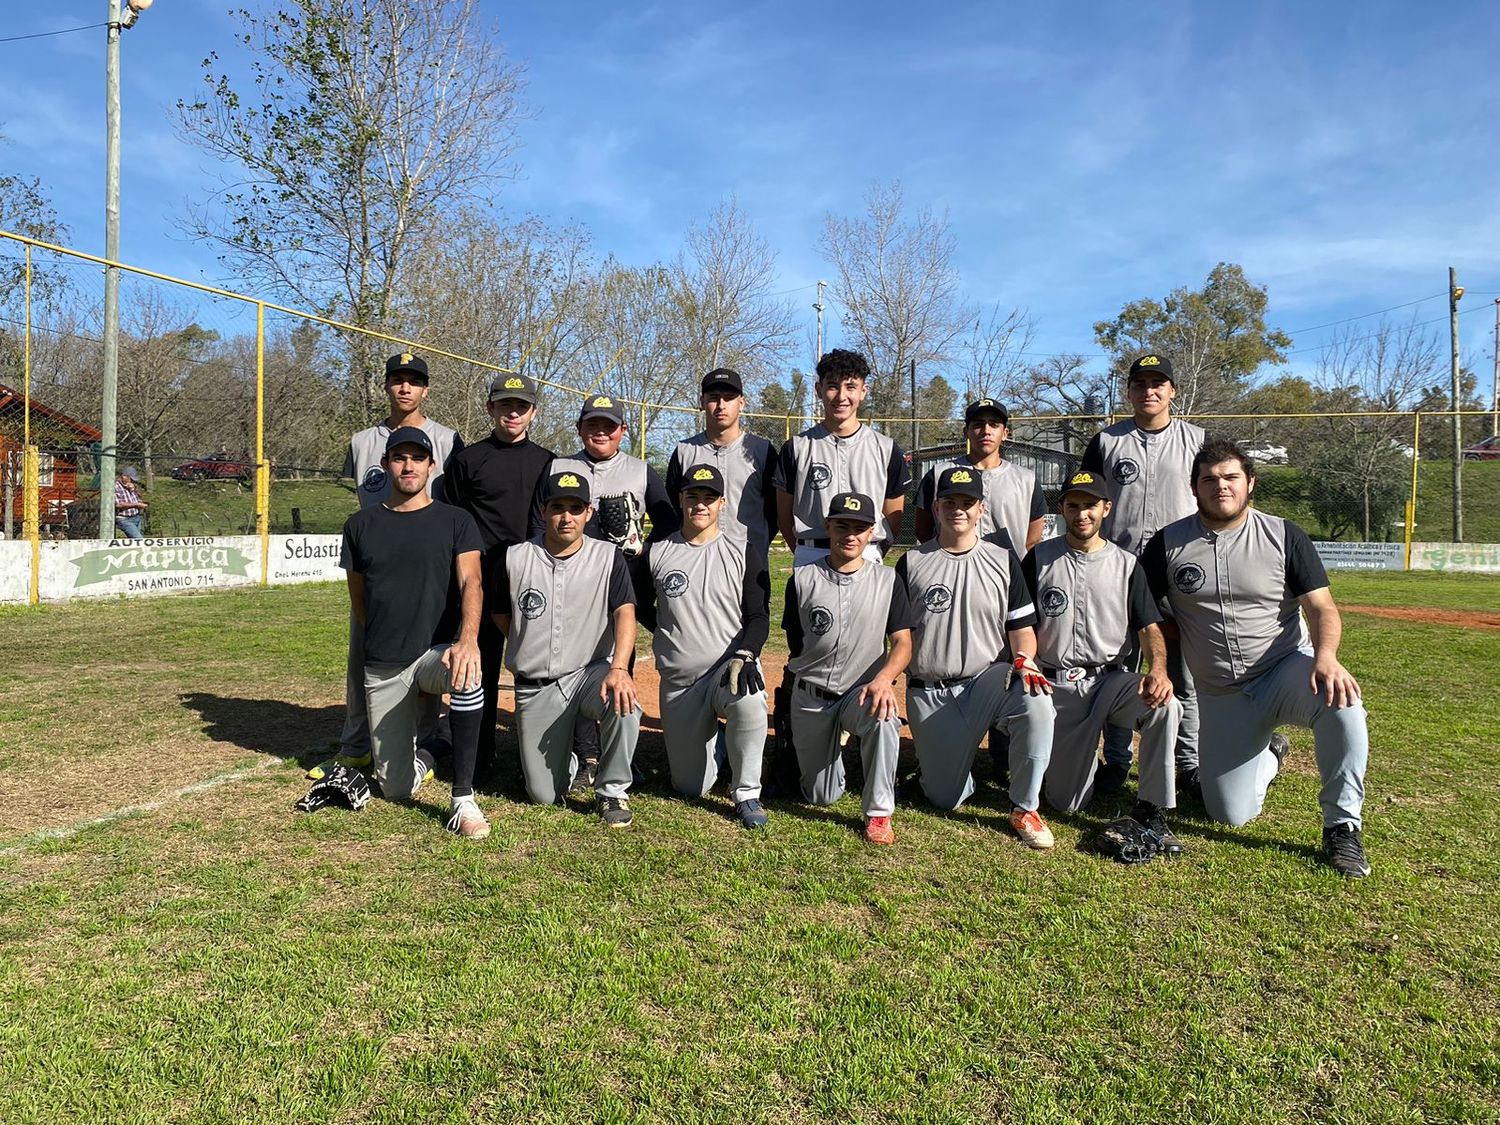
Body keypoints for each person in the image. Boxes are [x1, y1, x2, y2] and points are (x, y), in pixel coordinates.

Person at [1140, 438, 1372, 877]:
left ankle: (1342, 828)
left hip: (1283, 670)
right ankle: (1272, 756)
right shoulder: (1167, 544)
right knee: (1229, 813)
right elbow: (1147, 615)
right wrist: (1158, 662)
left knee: (1343, 703)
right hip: (1222, 693)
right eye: (1209, 480)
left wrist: (1327, 658)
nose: (1220, 487)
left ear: (1251, 483)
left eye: (1230, 477)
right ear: (1194, 488)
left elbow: (1322, 607)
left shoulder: (1284, 534)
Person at [338, 426, 489, 838]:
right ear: (386, 464)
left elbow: (471, 582)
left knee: (468, 671)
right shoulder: (359, 525)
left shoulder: (456, 520)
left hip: (434, 654)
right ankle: (430, 752)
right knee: (396, 788)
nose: (408, 466)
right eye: (399, 458)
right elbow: (360, 601)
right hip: (384, 662)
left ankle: (462, 797)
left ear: (431, 465)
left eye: (417, 458)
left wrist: (467, 639)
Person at [895, 466, 1057, 849]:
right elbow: (899, 635)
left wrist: (1025, 660)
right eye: (949, 501)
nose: (958, 509)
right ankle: (948, 769)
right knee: (944, 799)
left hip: (987, 682)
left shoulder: (1002, 559)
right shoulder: (912, 562)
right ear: (935, 507)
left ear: (981, 508)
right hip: (931, 691)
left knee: (1036, 698)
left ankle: (1024, 806)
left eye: (967, 502)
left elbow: (1020, 628)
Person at [1024, 470, 1184, 853]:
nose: (1082, 514)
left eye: (1091, 505)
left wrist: (1157, 670)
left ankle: (1151, 806)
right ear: (1061, 508)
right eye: (1073, 505)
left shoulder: (1127, 564)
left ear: (1106, 508)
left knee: (1164, 705)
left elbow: (1148, 626)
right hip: (1057, 683)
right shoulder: (1039, 558)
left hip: (1110, 681)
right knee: (1066, 803)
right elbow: (1021, 622)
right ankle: (1089, 769)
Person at [330, 353, 465, 775]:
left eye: (414, 381)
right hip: (376, 563)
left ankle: (428, 738)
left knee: (429, 654)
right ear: (386, 386)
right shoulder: (361, 441)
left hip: (428, 567)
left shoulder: (448, 439)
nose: (405, 388)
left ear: (425, 389)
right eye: (397, 380)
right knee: (363, 654)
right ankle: (356, 744)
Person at [1081, 354, 1209, 796]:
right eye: (1140, 384)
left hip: (1179, 570)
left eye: (1158, 383)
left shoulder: (1198, 440)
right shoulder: (1106, 441)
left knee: (1180, 671)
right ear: (1129, 391)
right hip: (1118, 569)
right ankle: (1116, 761)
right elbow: (1087, 498)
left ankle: (1186, 764)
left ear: (1173, 390)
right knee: (1118, 667)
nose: (1148, 391)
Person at [544, 392, 677, 791]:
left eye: (609, 426)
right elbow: (540, 518)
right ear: (580, 428)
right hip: (573, 581)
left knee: (620, 662)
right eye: (592, 424)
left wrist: (643, 545)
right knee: (579, 661)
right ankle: (585, 754)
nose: (600, 432)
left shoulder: (639, 470)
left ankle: (619, 752)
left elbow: (668, 520)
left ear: (622, 431)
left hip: (623, 580)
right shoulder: (560, 466)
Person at [494, 470, 641, 827]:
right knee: (544, 795)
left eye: (575, 508)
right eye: (558, 507)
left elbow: (625, 612)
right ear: (543, 510)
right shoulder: (515, 557)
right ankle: (570, 761)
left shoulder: (607, 557)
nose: (566, 516)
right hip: (537, 685)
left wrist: (619, 668)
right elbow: (501, 614)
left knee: (624, 702)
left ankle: (611, 790)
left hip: (589, 673)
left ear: (589, 513)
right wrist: (532, 643)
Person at [635, 465, 772, 828]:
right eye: (692, 496)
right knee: (690, 786)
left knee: (750, 698)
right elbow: (640, 604)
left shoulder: (743, 550)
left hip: (728, 669)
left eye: (708, 498)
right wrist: (669, 631)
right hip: (681, 680)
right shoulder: (658, 552)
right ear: (680, 499)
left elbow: (758, 616)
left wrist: (746, 654)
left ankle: (747, 792)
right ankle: (721, 745)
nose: (700, 504)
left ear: (721, 503)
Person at [782, 491, 913, 845]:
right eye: (842, 525)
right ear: (828, 527)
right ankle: (831, 755)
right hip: (812, 694)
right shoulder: (802, 579)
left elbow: (903, 643)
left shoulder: (887, 580)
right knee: (821, 796)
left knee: (885, 715)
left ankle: (879, 813)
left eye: (859, 527)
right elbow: (797, 642)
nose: (850, 534)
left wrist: (885, 679)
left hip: (862, 691)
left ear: (872, 532)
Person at [444, 372, 555, 785]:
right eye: (505, 405)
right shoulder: (469, 460)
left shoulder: (548, 461)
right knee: (481, 670)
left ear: (533, 412)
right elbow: (452, 523)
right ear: (490, 408)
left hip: (533, 580)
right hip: (481, 581)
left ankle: (540, 757)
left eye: (521, 406)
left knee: (537, 667)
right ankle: (479, 756)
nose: (513, 412)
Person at [775, 348, 910, 567]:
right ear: (819, 389)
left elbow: (893, 516)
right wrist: (804, 551)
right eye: (832, 386)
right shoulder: (796, 448)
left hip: (866, 554)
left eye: (850, 387)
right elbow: (783, 516)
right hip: (811, 555)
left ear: (863, 391)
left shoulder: (886, 448)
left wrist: (872, 550)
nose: (841, 396)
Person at [663, 367, 778, 563]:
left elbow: (775, 511)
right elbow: (673, 509)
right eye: (714, 398)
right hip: (694, 561)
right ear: (702, 402)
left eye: (729, 397)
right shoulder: (685, 451)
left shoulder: (762, 451)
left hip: (748, 561)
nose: (721, 405)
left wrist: (758, 546)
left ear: (741, 403)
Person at [914, 398, 1045, 554]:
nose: (986, 431)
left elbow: (1033, 539)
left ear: (1005, 433)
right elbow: (923, 529)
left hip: (1008, 573)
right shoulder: (938, 473)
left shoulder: (1026, 479)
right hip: (952, 571)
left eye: (994, 424)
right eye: (978, 424)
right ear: (966, 432)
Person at [114, 466, 147, 540]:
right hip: (124, 519)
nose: (132, 481)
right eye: (131, 479)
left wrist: (134, 489)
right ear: (124, 476)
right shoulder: (116, 487)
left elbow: (139, 497)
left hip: (136, 516)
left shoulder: (130, 486)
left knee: (135, 543)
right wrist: (136, 505)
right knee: (139, 540)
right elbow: (119, 504)